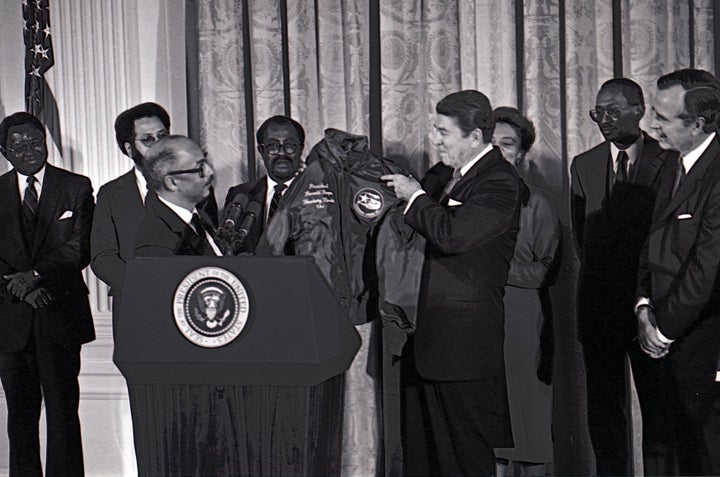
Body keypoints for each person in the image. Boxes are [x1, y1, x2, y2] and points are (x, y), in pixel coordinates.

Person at [381, 90, 527, 476]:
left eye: (444, 132)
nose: (436, 139)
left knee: (464, 459)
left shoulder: (500, 182)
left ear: (475, 137)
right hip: (428, 343)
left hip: (463, 348)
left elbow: (453, 236)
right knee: (427, 457)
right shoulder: (447, 176)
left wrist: (414, 197)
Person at [571, 78, 676, 476]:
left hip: (652, 308)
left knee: (658, 410)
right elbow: (584, 238)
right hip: (600, 309)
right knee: (604, 412)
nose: (604, 120)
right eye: (598, 112)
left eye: (614, 110)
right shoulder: (583, 164)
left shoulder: (667, 159)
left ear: (639, 108)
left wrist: (647, 298)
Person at [0, 112, 95, 476]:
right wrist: (22, 289)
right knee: (20, 420)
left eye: (35, 141)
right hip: (12, 319)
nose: (29, 150)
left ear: (45, 142)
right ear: (5, 151)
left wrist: (36, 277)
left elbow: (79, 247)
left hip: (60, 316)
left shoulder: (76, 187)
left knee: (63, 415)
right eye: (19, 145)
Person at [636, 68, 720, 476]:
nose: (650, 125)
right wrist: (642, 306)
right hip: (664, 338)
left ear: (698, 124)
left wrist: (661, 330)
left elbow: (708, 268)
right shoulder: (669, 165)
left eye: (663, 118)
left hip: (703, 342)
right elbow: (651, 244)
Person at [91, 103, 218, 332]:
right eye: (148, 139)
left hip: (195, 308)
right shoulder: (111, 194)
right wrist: (144, 284)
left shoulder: (195, 184)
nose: (159, 144)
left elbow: (212, 244)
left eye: (162, 136)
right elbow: (103, 257)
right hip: (137, 306)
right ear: (129, 149)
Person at [492, 107, 560, 476]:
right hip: (480, 321)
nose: (500, 151)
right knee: (490, 429)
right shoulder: (465, 200)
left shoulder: (538, 202)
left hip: (524, 321)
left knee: (529, 424)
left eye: (508, 144)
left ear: (521, 153)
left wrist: (491, 265)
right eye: (492, 144)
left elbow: (545, 272)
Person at [222, 115, 304, 254]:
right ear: (261, 150)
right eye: (273, 146)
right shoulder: (241, 194)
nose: (282, 153)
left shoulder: (316, 193)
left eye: (290, 145)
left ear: (300, 149)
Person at [134, 135, 219, 256]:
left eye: (206, 162)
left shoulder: (201, 217)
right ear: (172, 183)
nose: (210, 172)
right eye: (200, 168)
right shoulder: (155, 243)